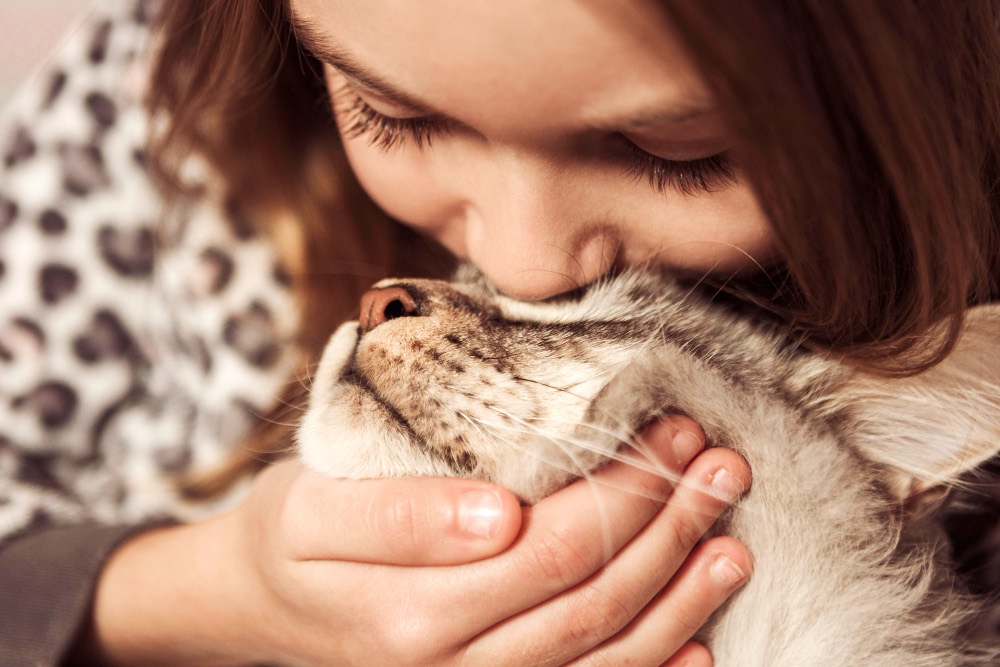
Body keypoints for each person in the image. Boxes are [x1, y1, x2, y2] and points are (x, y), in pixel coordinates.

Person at [0, 0, 997, 665]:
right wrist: (216, 590)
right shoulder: (139, 109)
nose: (519, 263)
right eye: (390, 112)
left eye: (680, 153)